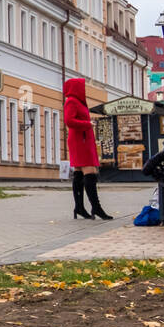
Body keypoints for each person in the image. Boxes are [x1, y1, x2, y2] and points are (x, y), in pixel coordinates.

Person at [62, 77, 111, 220]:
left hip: (83, 139)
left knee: (79, 173)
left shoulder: (78, 102)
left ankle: (80, 207)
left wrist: (87, 124)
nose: (84, 90)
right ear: (76, 88)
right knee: (90, 172)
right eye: (82, 87)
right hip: (80, 141)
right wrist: (87, 124)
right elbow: (69, 121)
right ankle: (96, 207)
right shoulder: (72, 101)